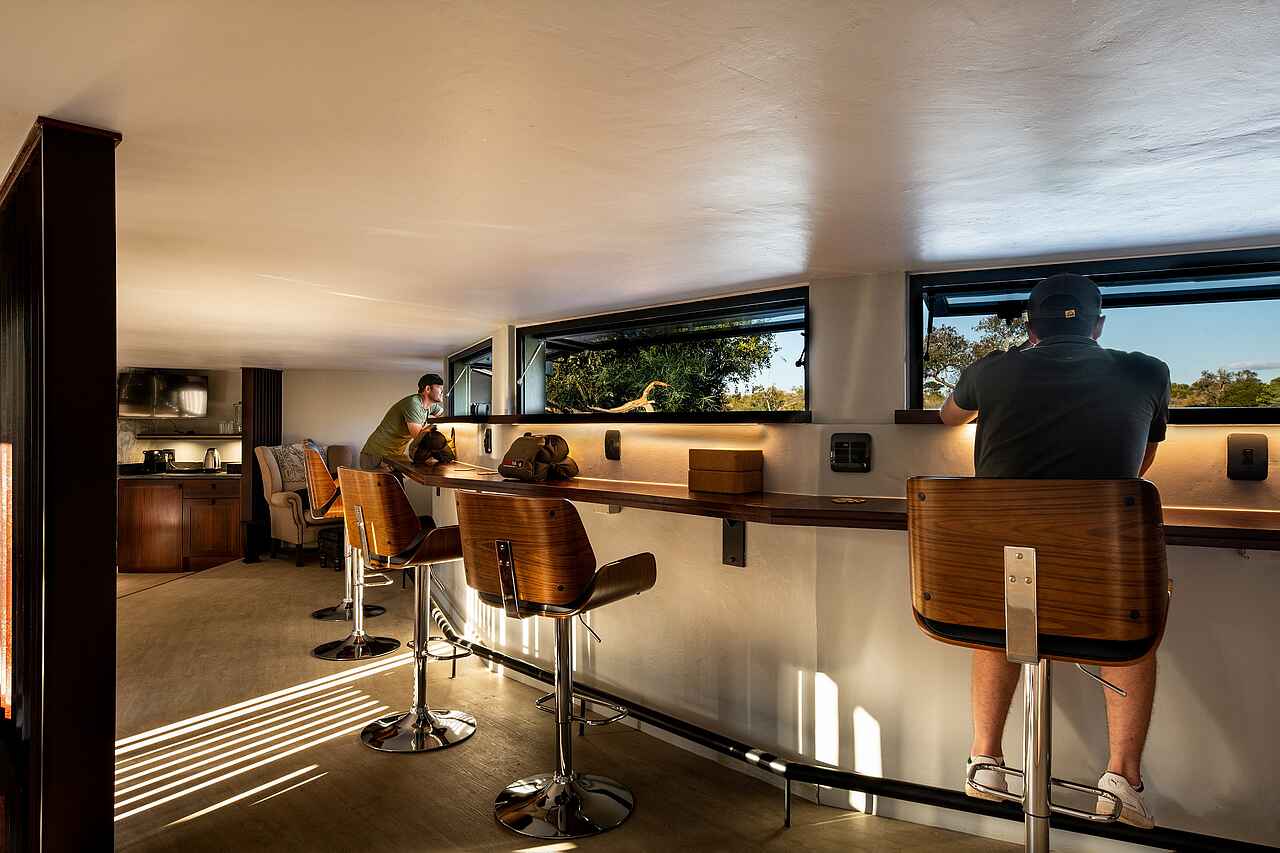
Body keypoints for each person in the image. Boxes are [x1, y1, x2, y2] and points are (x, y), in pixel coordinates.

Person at [939, 273, 1170, 829]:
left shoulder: (991, 370)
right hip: (1101, 581)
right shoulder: (1147, 371)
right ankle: (1121, 779)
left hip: (1004, 575)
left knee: (1000, 616)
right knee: (1132, 632)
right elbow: (1142, 462)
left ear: (1030, 326)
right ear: (1098, 325)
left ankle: (986, 760)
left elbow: (949, 416)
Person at [360, 373, 446, 470]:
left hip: (393, 456)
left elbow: (446, 416)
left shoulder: (430, 406)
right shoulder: (414, 404)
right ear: (428, 389)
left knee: (401, 480)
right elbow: (420, 440)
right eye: (440, 388)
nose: (443, 391)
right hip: (376, 455)